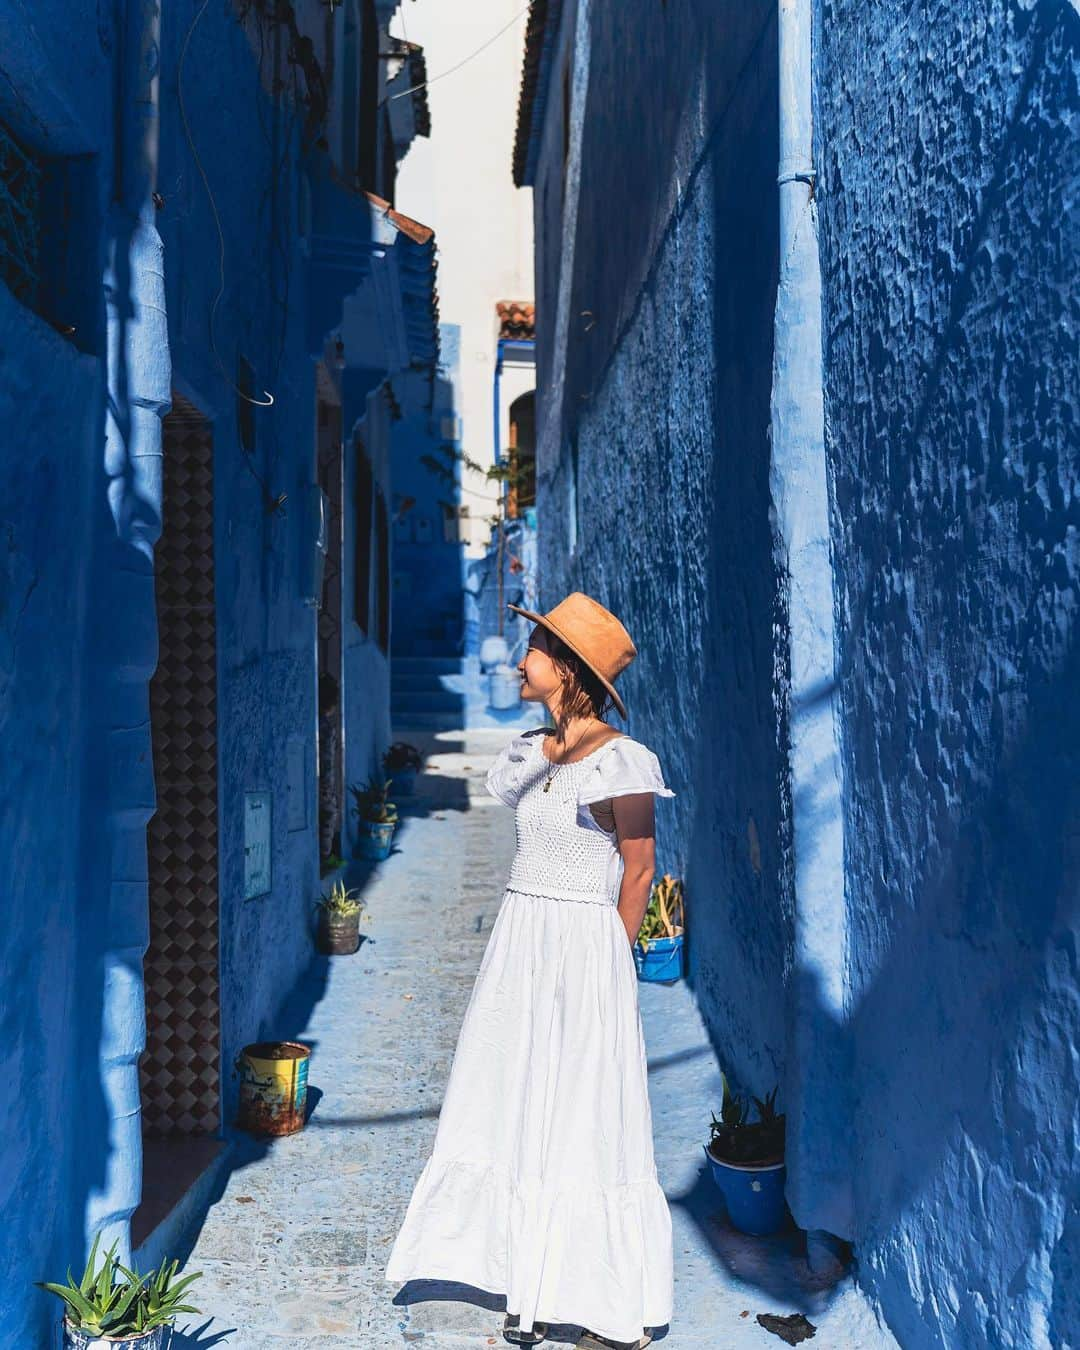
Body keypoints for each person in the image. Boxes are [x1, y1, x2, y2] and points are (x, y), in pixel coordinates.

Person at [385, 592, 675, 1350]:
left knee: (582, 1112)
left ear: (567, 669)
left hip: (584, 947)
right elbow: (520, 812)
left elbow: (639, 873)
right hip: (520, 942)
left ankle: (603, 1299)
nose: (519, 661)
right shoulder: (533, 752)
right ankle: (527, 1276)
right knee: (510, 1096)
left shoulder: (624, 761)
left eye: (534, 651)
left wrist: (608, 968)